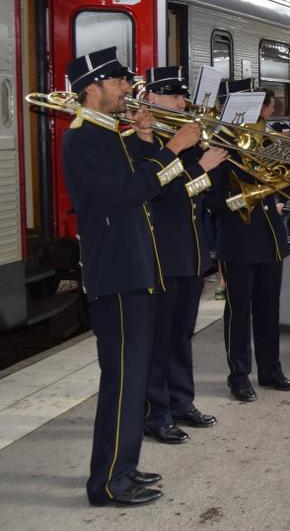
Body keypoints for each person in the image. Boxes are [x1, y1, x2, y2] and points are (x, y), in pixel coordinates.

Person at [62, 47, 209, 506]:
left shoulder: (109, 133)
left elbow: (142, 182)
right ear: (92, 88)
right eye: (119, 81)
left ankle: (121, 467)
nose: (128, 88)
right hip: (119, 274)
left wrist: (147, 141)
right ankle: (107, 482)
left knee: (132, 376)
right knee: (122, 382)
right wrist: (172, 148)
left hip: (135, 269)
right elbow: (132, 191)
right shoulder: (84, 137)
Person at [140, 67, 227, 446]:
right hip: (163, 251)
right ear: (152, 98)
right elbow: (159, 194)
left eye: (181, 95)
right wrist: (202, 169)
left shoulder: (186, 141)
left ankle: (181, 401)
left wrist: (207, 163)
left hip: (190, 251)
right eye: (172, 95)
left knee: (181, 334)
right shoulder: (143, 143)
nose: (181, 101)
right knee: (160, 339)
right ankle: (155, 413)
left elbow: (200, 193)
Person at [208, 86, 290, 401]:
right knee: (239, 313)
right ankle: (239, 376)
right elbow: (212, 199)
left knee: (269, 310)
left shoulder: (269, 141)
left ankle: (271, 370)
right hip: (238, 240)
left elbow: (287, 178)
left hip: (271, 238)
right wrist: (243, 198)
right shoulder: (220, 148)